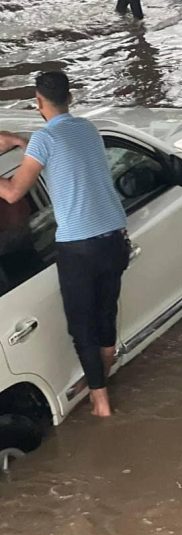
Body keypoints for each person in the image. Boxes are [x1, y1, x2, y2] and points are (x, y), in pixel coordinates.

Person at [0, 71, 129, 417]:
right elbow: (61, 152)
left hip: (80, 247)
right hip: (115, 238)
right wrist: (19, 140)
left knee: (80, 325)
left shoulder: (44, 140)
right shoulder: (87, 129)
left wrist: (19, 142)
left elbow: (12, 193)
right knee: (106, 310)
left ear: (38, 103)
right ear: (69, 98)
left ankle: (100, 400)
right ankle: (107, 364)